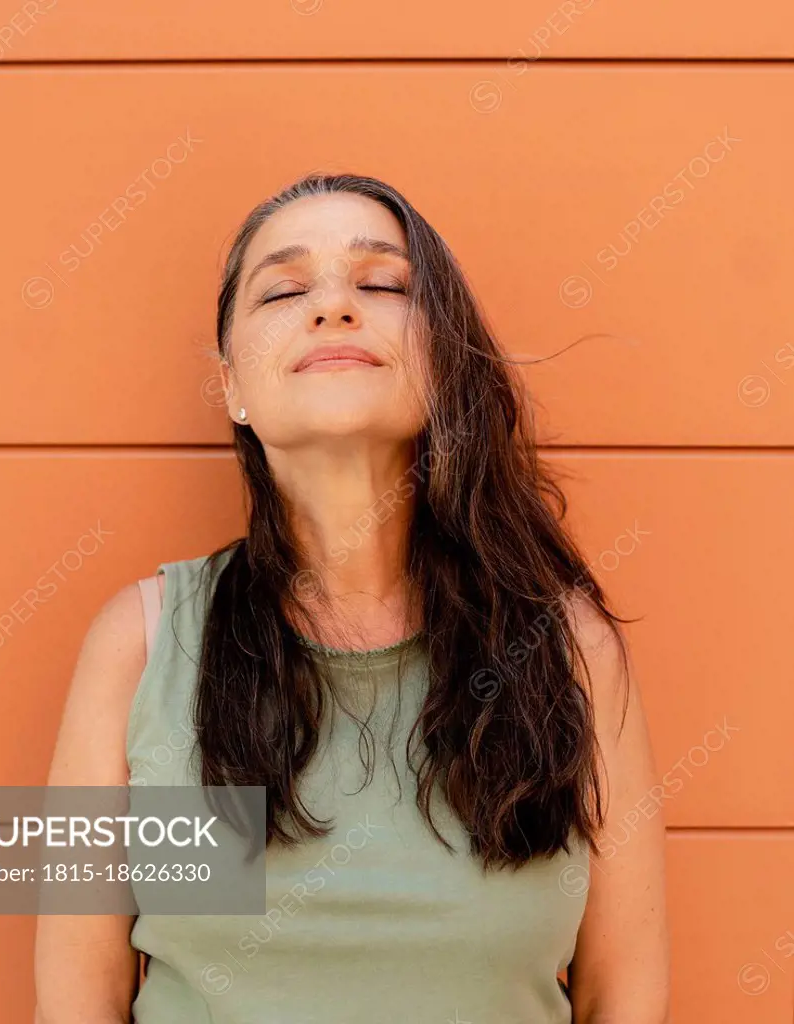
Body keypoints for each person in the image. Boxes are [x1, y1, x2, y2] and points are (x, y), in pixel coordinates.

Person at [34, 172, 669, 1023]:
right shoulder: (139, 644)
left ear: (443, 360)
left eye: (382, 284)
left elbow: (624, 997)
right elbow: (78, 1002)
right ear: (233, 389)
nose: (333, 307)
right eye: (285, 290)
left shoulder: (568, 648)